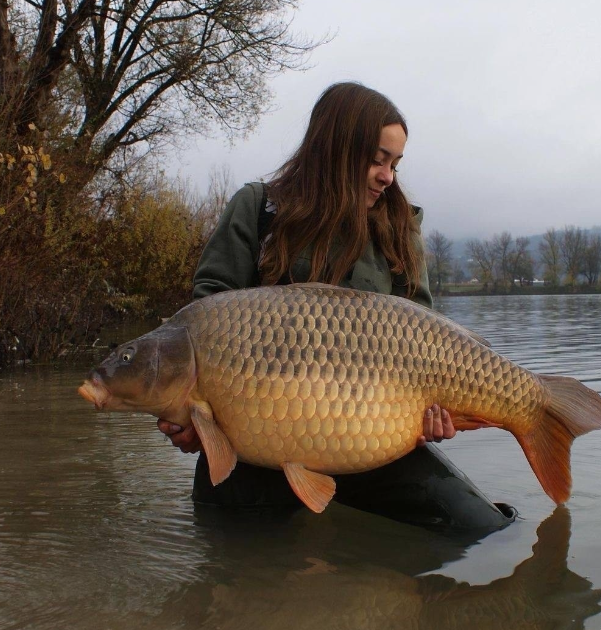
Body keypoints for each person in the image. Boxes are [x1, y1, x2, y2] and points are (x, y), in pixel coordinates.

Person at [158, 82, 515, 529]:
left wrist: (433, 417)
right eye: (377, 160)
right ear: (335, 150)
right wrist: (189, 418)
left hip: (368, 443)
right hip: (256, 443)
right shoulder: (258, 208)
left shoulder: (399, 230)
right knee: (240, 573)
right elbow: (200, 332)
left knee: (483, 529)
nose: (388, 177)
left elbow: (429, 332)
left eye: (395, 164)